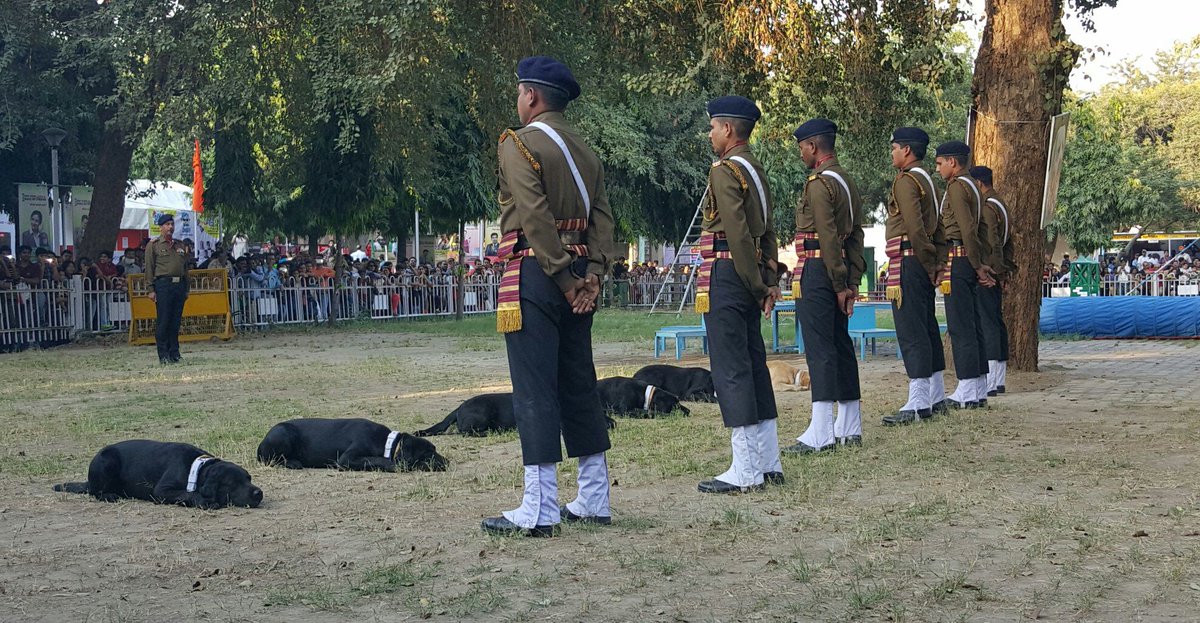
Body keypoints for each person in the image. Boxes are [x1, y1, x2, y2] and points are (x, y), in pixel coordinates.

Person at [483, 56, 615, 537]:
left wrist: (561, 276)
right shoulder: (586, 150)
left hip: (537, 277)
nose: (518, 101)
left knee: (535, 387)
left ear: (531, 96)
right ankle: (594, 497)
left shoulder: (518, 144)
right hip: (580, 275)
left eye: (519, 92)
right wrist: (592, 275)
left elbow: (533, 217)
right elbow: (603, 219)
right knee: (578, 381)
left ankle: (540, 507)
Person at [693, 95, 783, 494]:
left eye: (713, 126)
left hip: (730, 275)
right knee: (753, 363)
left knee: (730, 367)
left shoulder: (725, 170)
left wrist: (757, 283)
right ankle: (767, 460)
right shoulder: (756, 169)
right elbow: (768, 231)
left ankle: (746, 469)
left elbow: (738, 235)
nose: (710, 134)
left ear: (728, 129)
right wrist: (768, 280)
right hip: (748, 277)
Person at [784, 118, 865, 452]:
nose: (801, 153)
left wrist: (837, 283)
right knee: (840, 345)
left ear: (813, 147)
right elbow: (855, 235)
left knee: (819, 348)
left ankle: (820, 431)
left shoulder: (818, 183)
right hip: (838, 269)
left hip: (819, 270)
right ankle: (849, 423)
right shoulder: (846, 180)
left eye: (802, 147)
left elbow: (828, 237)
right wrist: (852, 280)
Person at [879, 128, 948, 426]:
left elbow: (916, 228)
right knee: (927, 326)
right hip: (921, 261)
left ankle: (919, 400)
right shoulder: (928, 181)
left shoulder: (907, 180)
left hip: (909, 260)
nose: (892, 153)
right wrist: (938, 261)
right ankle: (936, 395)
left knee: (911, 328)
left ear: (907, 150)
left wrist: (930, 260)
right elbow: (940, 227)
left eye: (894, 147)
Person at [934, 141, 994, 409]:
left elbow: (968, 229)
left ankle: (968, 386)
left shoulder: (958, 187)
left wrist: (976, 263)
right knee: (974, 324)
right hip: (967, 260)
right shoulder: (974, 187)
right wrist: (980, 262)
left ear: (953, 163)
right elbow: (981, 230)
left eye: (939, 163)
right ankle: (979, 384)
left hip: (958, 260)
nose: (937, 169)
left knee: (960, 326)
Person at [970, 165, 1016, 396]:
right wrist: (1005, 270)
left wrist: (995, 272)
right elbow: (1009, 243)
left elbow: (994, 243)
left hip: (988, 272)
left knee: (988, 323)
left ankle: (992, 379)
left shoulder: (987, 207)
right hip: (997, 270)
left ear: (978, 184)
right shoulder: (1001, 204)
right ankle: (998, 377)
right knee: (995, 322)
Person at [145, 213, 189, 364]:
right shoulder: (154, 245)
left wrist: (186, 288)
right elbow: (149, 268)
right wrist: (150, 289)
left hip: (179, 285)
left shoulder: (180, 244)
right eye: (167, 224)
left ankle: (174, 353)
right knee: (164, 320)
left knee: (175, 321)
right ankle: (163, 354)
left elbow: (185, 268)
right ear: (161, 227)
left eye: (172, 224)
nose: (170, 227)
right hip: (163, 285)